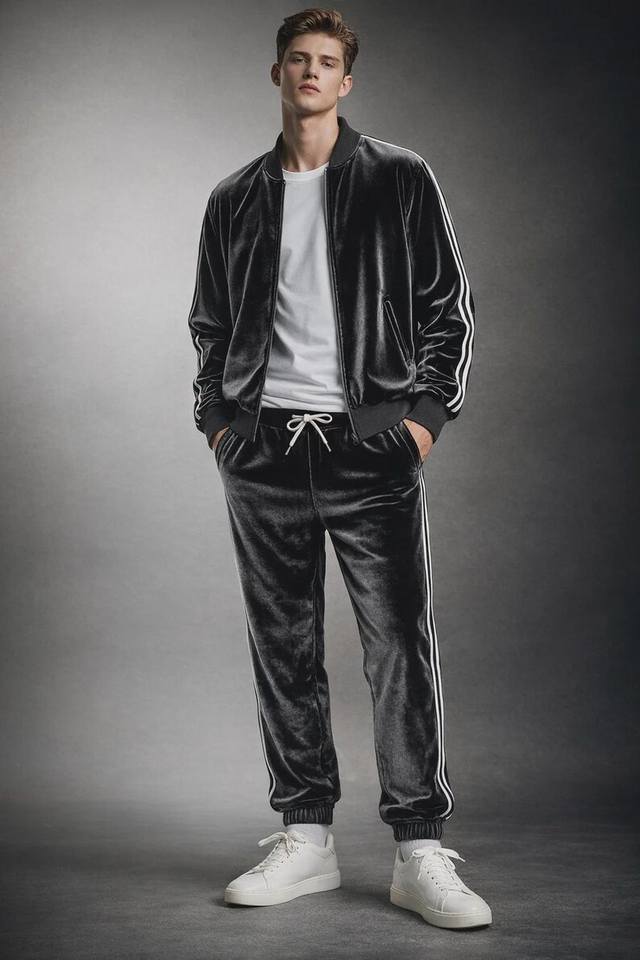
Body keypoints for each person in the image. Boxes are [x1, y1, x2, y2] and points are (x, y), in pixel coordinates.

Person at [187, 7, 491, 930]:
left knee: (399, 644)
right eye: (298, 59)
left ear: (346, 81)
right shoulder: (234, 198)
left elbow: (447, 308)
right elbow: (208, 325)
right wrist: (219, 423)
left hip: (371, 448)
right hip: (265, 451)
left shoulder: (398, 177)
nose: (311, 72)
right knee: (283, 647)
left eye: (327, 61)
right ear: (276, 74)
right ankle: (306, 838)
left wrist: (422, 423)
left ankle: (419, 849)